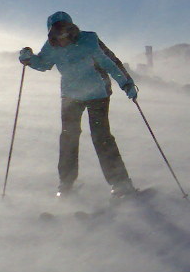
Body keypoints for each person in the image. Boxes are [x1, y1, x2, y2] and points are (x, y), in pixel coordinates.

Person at [19, 11, 139, 198]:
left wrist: (126, 83)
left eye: (65, 32)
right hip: (71, 96)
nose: (62, 38)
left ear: (72, 29)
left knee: (101, 136)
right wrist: (28, 59)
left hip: (97, 94)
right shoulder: (51, 46)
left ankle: (121, 183)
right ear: (51, 34)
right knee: (69, 137)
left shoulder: (89, 40)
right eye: (57, 34)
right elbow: (43, 64)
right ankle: (66, 183)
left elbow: (109, 63)